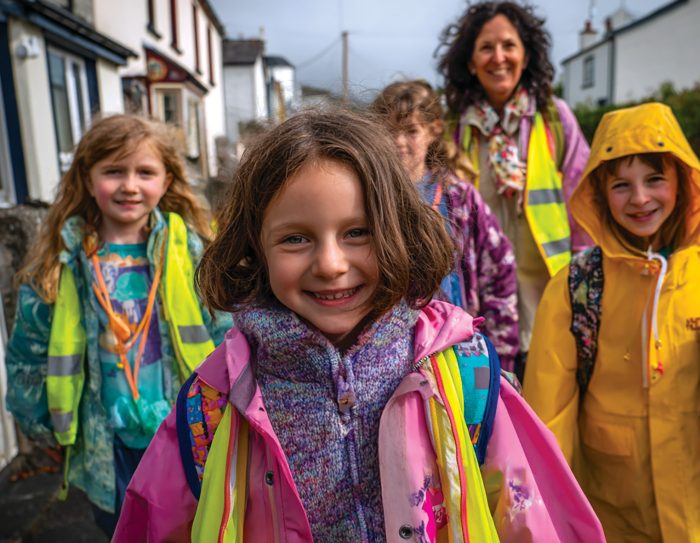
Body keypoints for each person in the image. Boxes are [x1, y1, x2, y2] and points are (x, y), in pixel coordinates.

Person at [112, 109, 605, 542]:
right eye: (296, 239)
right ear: (253, 247)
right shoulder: (214, 404)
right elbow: (158, 522)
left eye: (357, 232)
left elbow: (529, 517)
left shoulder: (465, 381)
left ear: (401, 231)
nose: (330, 264)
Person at [524, 102, 700, 541]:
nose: (640, 198)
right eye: (621, 185)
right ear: (600, 194)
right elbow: (550, 413)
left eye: (655, 179)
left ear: (683, 180)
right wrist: (545, 513)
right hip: (618, 518)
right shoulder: (577, 285)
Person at [4, 114, 232, 537]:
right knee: (121, 528)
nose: (129, 185)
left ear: (166, 181)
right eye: (113, 171)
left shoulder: (191, 251)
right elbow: (28, 350)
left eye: (145, 172)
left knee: (189, 527)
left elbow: (225, 331)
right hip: (105, 441)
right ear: (88, 180)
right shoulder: (61, 261)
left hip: (185, 429)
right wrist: (43, 422)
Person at [437, 1, 593, 379]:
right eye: (486, 48)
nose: (498, 57)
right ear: (471, 62)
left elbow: (586, 207)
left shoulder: (555, 119)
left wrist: (586, 291)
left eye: (509, 45)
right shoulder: (451, 130)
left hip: (550, 307)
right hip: (478, 314)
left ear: (526, 55)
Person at [371, 80, 519, 370]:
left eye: (410, 131)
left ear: (433, 131)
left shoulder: (460, 200)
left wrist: (500, 355)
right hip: (392, 358)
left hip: (462, 353)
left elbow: (499, 269)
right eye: (389, 131)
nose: (398, 142)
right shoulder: (369, 200)